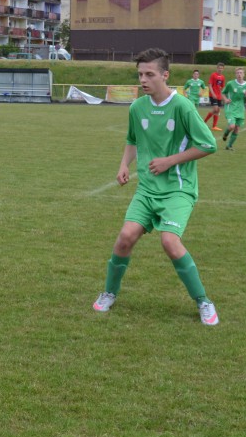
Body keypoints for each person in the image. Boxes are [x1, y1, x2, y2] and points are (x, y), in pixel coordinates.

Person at [91, 48, 219, 325]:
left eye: (149, 74)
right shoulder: (137, 107)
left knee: (170, 242)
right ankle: (109, 292)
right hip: (147, 189)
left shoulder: (183, 106)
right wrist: (124, 165)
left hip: (178, 189)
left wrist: (170, 161)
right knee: (125, 237)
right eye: (140, 74)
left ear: (165, 75)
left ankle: (203, 301)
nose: (143, 80)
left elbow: (209, 145)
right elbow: (132, 139)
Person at [221, 67, 246, 151]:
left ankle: (229, 146)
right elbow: (223, 93)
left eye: (241, 73)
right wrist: (225, 100)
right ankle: (225, 134)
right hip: (230, 108)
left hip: (240, 109)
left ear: (244, 74)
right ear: (235, 74)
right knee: (232, 126)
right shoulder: (230, 84)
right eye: (238, 73)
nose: (239, 74)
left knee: (236, 129)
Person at [202, 62, 226, 131]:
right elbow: (209, 85)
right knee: (215, 109)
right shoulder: (213, 75)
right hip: (213, 95)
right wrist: (213, 94)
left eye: (221, 68)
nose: (220, 69)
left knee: (218, 110)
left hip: (219, 96)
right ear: (217, 68)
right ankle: (204, 122)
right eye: (219, 68)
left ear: (223, 69)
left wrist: (222, 95)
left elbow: (222, 87)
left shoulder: (222, 77)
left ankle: (214, 126)